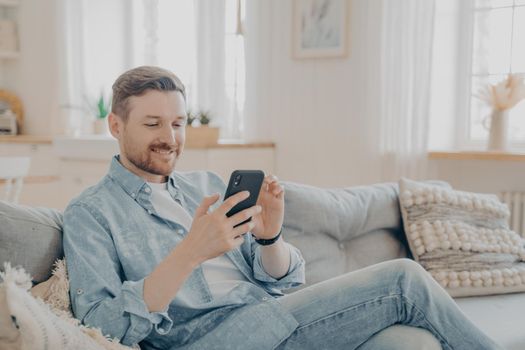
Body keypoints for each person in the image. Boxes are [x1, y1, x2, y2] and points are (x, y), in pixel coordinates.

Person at [63, 66, 502, 350]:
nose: (170, 137)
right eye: (152, 124)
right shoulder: (91, 213)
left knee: (409, 342)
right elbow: (101, 325)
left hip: (269, 316)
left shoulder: (206, 186)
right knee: (403, 279)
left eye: (178, 123)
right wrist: (191, 252)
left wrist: (270, 236)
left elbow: (284, 279)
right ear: (116, 125)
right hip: (209, 339)